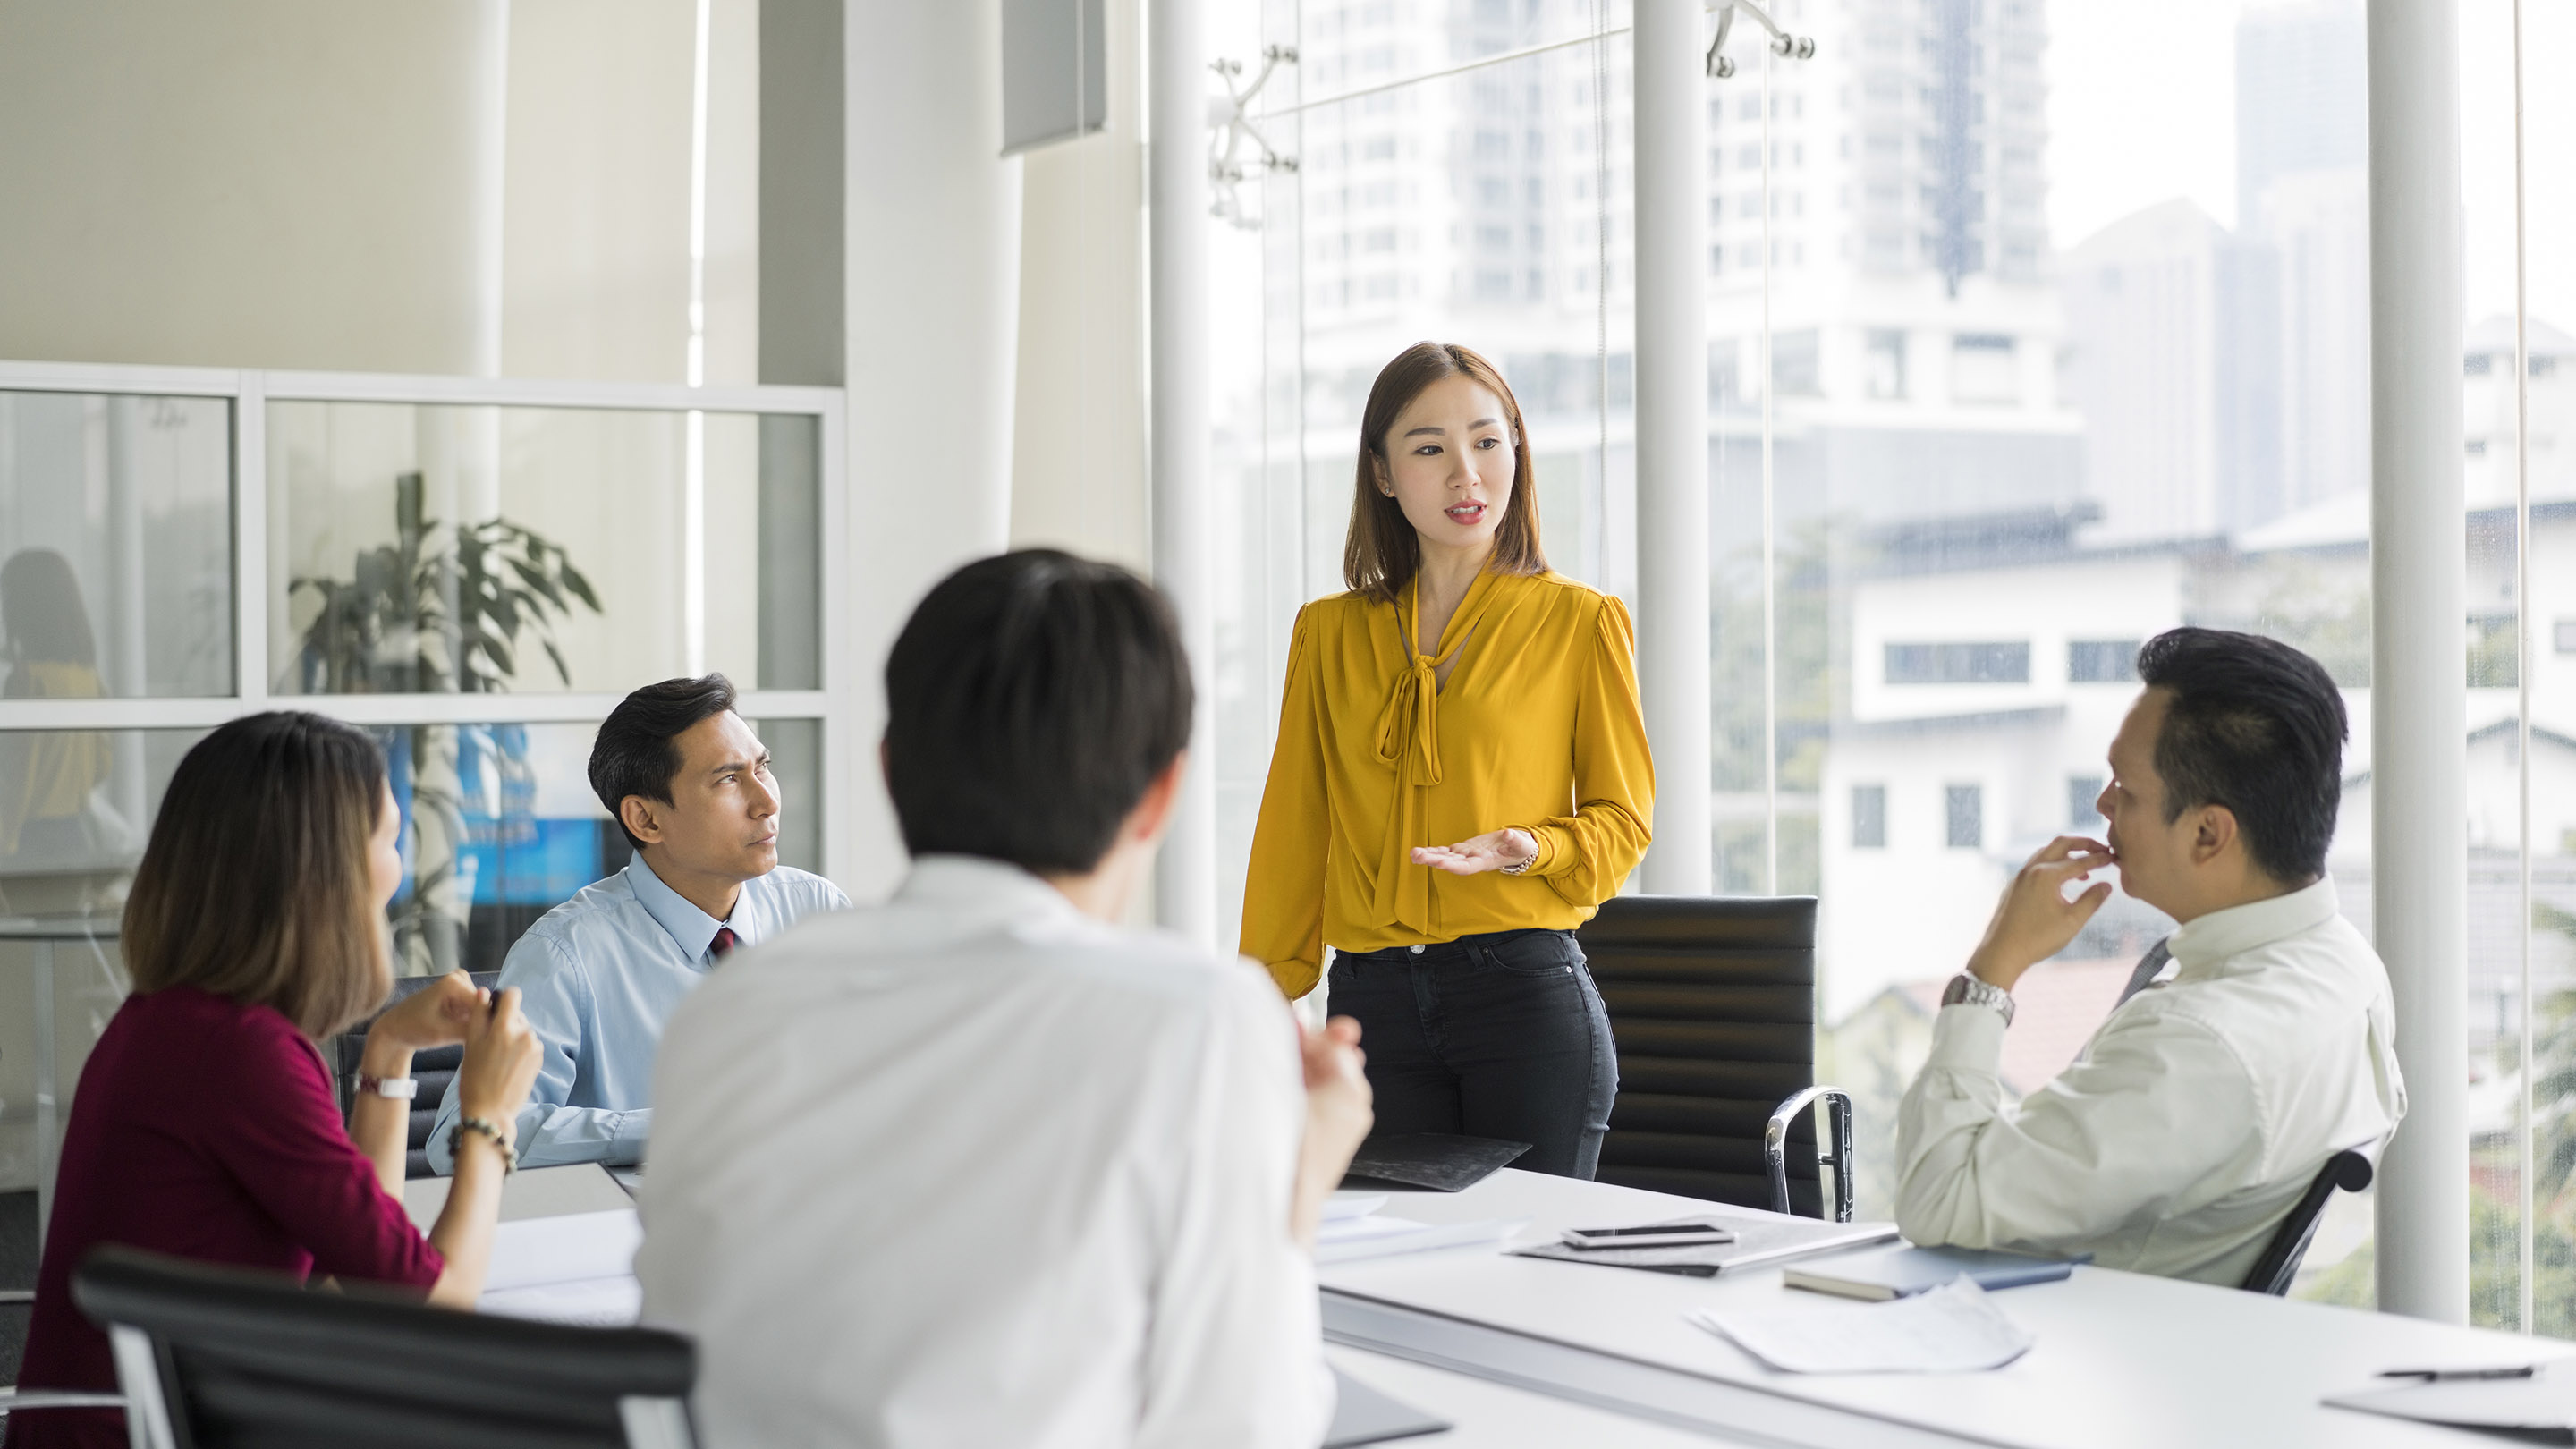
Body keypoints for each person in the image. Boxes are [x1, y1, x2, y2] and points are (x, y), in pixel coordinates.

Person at [638, 550, 1371, 1449]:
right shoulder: (1200, 1018)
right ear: (1162, 796)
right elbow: (1243, 1426)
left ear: (888, 769)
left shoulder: (734, 1003)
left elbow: (687, 1369)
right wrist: (1298, 1181)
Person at [4, 712, 541, 1449]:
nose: (399, 862)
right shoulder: (237, 1052)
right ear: (327, 871)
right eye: (387, 836)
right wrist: (487, 1118)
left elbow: (359, 1280)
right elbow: (431, 1309)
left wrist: (387, 1051)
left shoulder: (184, 1022)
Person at [1240, 341, 1652, 1180]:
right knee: (1393, 1278)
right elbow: (1293, 822)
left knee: (1532, 1282)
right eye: (1429, 449)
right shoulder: (1329, 635)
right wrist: (1263, 991)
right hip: (1371, 1004)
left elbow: (1624, 820)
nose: (1466, 473)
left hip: (1523, 998)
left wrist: (1531, 846)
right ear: (1385, 475)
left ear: (1516, 452)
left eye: (1487, 442)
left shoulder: (1581, 623)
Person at [1894, 627, 2408, 1285]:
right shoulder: (2346, 965)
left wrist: (1993, 970)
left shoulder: (2198, 1045)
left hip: (2068, 1354)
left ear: (2207, 833)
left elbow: (1937, 1201)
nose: (2103, 804)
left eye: (2125, 789)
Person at [426, 674, 847, 1172]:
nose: (768, 802)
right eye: (729, 779)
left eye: (762, 768)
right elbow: (456, 1140)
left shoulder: (815, 910)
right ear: (646, 820)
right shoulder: (566, 954)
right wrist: (680, 1129)